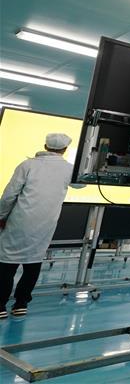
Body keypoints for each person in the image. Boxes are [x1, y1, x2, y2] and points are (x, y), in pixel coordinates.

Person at [0, 133, 84, 318]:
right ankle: (21, 304)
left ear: (45, 146)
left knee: (7, 263)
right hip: (45, 224)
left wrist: (1, 215)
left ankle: (0, 305)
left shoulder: (27, 165)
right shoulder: (69, 169)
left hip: (19, 220)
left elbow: (9, 195)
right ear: (65, 149)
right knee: (33, 262)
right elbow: (81, 184)